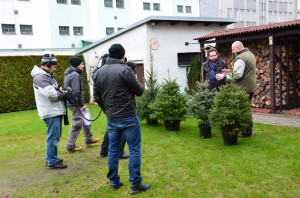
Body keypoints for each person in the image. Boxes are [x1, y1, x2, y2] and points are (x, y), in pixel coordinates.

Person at [93, 44, 150, 194]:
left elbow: (97, 97)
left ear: (109, 56)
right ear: (123, 56)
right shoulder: (125, 70)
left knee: (112, 149)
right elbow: (140, 90)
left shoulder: (98, 72)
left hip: (112, 118)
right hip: (128, 116)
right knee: (135, 149)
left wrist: (107, 110)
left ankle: (114, 182)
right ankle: (135, 184)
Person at [31, 53, 67, 169]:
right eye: (54, 66)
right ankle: (52, 161)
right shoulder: (41, 77)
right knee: (53, 138)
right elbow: (51, 94)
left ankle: (52, 158)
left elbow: (56, 91)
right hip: (51, 112)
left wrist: (62, 92)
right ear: (48, 65)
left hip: (54, 110)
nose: (55, 68)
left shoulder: (47, 76)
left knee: (55, 137)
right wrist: (64, 94)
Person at [216, 41, 256, 137]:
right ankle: (248, 130)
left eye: (233, 49)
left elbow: (238, 75)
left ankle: (246, 132)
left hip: (243, 87)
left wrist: (224, 76)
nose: (232, 51)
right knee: (246, 109)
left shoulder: (241, 58)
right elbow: (245, 70)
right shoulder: (250, 54)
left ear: (238, 48)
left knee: (243, 110)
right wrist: (231, 71)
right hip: (250, 86)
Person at [97, 54, 129, 159]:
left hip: (109, 106)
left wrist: (105, 107)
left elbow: (97, 95)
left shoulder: (100, 72)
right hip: (119, 107)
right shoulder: (119, 70)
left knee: (110, 129)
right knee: (123, 129)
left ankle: (104, 150)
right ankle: (119, 152)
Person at [64, 57, 99, 152]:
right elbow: (76, 92)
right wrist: (81, 104)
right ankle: (70, 146)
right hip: (75, 103)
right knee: (77, 122)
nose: (83, 66)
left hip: (73, 102)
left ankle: (89, 138)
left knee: (85, 118)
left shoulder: (69, 74)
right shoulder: (75, 75)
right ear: (77, 65)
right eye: (82, 64)